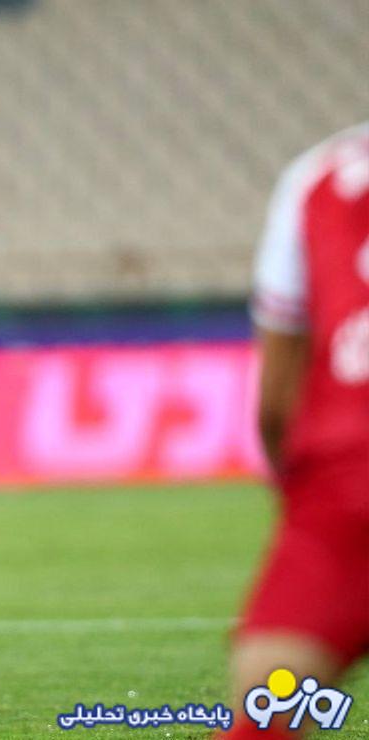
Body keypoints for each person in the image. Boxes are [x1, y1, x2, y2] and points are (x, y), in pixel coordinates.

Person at [220, 122, 368, 739]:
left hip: (346, 491)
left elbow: (276, 403)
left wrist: (307, 514)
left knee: (266, 718)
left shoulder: (322, 175)